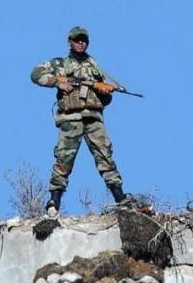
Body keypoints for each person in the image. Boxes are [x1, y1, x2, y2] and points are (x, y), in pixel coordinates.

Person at [31, 26, 131, 216]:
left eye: (83, 40)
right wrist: (58, 82)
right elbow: (35, 74)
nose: (81, 43)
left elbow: (106, 100)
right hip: (71, 117)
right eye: (77, 40)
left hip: (93, 118)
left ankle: (120, 198)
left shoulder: (95, 67)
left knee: (105, 156)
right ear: (69, 42)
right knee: (64, 159)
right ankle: (54, 201)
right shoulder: (60, 64)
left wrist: (104, 93)